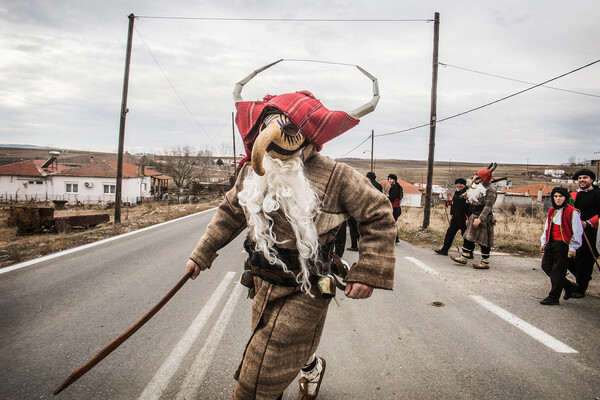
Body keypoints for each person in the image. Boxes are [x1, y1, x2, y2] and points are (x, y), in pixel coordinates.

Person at [185, 88, 396, 400]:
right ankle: (310, 367)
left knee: (263, 365)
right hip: (261, 280)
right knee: (270, 339)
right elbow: (230, 212)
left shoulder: (337, 176)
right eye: (267, 124)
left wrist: (369, 270)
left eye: (287, 126)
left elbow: (378, 214)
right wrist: (202, 253)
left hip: (308, 287)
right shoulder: (250, 171)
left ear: (307, 133)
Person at [539, 187, 583, 305]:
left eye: (561, 196)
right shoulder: (552, 211)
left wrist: (573, 248)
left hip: (563, 244)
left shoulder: (572, 212)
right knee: (546, 266)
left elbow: (577, 231)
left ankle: (553, 297)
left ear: (566, 198)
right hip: (551, 242)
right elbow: (547, 227)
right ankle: (569, 286)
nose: (558, 199)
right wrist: (544, 242)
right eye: (556, 196)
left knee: (559, 270)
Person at [451, 163, 498, 269]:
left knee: (484, 241)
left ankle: (485, 262)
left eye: (479, 177)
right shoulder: (478, 187)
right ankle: (464, 257)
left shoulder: (490, 190)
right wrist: (466, 197)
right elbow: (474, 200)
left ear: (483, 179)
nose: (476, 178)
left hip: (484, 218)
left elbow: (488, 206)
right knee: (468, 237)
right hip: (474, 215)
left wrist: (480, 219)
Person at [564, 168, 600, 298]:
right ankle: (581, 279)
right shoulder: (575, 195)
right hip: (575, 231)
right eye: (580, 178)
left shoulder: (597, 193)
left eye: (585, 178)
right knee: (571, 258)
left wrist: (588, 223)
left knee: (586, 260)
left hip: (591, 232)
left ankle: (581, 289)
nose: (582, 180)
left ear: (591, 180)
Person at [347, 172, 383, 252]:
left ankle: (355, 245)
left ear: (369, 178)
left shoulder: (366, 186)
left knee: (354, 228)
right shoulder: (379, 186)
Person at [435, 178, 470, 256]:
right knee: (450, 233)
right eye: (457, 184)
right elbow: (456, 202)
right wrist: (448, 202)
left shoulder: (468, 193)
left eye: (461, 184)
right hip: (455, 217)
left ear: (464, 184)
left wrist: (468, 219)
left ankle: (468, 252)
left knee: (466, 235)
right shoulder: (457, 192)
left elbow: (469, 206)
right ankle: (444, 250)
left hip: (463, 217)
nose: (459, 185)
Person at [387, 174, 403, 243]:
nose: (389, 180)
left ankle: (394, 238)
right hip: (397, 207)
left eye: (390, 179)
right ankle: (395, 238)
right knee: (393, 223)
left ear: (394, 180)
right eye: (389, 179)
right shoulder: (398, 186)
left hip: (394, 207)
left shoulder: (395, 187)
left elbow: (392, 198)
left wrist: (387, 198)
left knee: (391, 223)